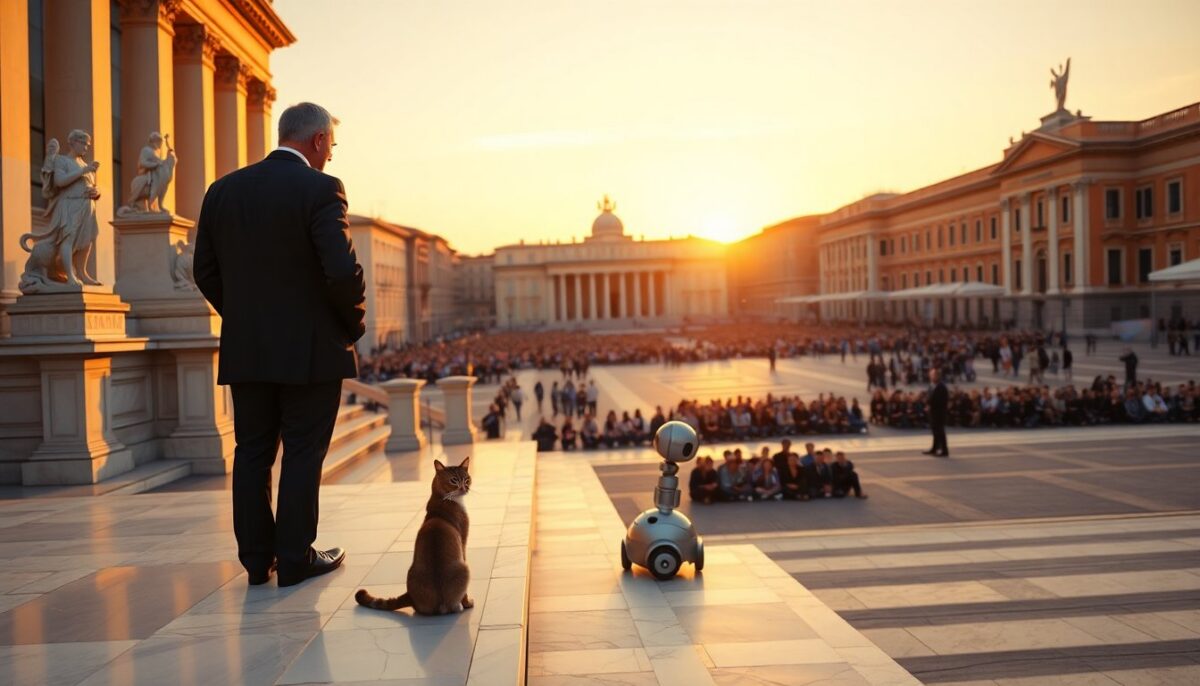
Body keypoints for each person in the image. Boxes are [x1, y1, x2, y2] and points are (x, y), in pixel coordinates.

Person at [194, 102, 360, 587]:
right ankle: (294, 558)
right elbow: (342, 272)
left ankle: (255, 560)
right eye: (331, 143)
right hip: (311, 351)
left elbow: (204, 270)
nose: (331, 153)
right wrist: (348, 328)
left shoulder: (222, 190)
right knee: (304, 452)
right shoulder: (322, 188)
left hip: (248, 350)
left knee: (252, 453)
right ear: (316, 142)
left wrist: (246, 319)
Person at [923, 368, 949, 457]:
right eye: (931, 374)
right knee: (934, 432)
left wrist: (930, 405)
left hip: (939, 414)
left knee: (940, 432)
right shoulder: (931, 385)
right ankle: (934, 448)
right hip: (932, 413)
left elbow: (941, 401)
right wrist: (927, 404)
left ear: (938, 376)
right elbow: (929, 397)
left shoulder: (941, 387)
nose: (931, 376)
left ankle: (944, 450)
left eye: (933, 375)